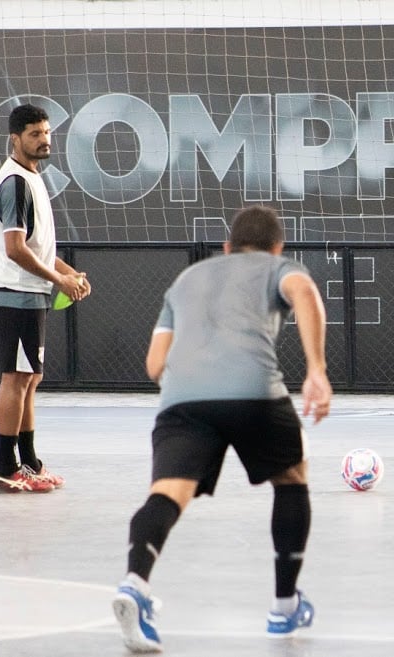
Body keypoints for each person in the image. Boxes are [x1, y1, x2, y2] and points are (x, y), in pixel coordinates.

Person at [112, 205, 333, 653]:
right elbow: (305, 293)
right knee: (292, 478)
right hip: (255, 391)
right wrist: (317, 370)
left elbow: (155, 365)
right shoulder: (279, 267)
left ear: (227, 247)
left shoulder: (185, 280)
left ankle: (135, 584)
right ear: (277, 247)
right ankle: (284, 606)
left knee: (167, 495)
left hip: (183, 401)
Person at [0, 103, 90, 494]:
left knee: (30, 378)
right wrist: (58, 280)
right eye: (34, 134)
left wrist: (66, 273)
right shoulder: (14, 182)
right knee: (14, 379)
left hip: (29, 295)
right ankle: (4, 469)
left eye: (46, 133)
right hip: (13, 295)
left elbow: (36, 247)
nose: (44, 140)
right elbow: (15, 250)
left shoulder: (32, 178)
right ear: (15, 139)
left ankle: (28, 462)